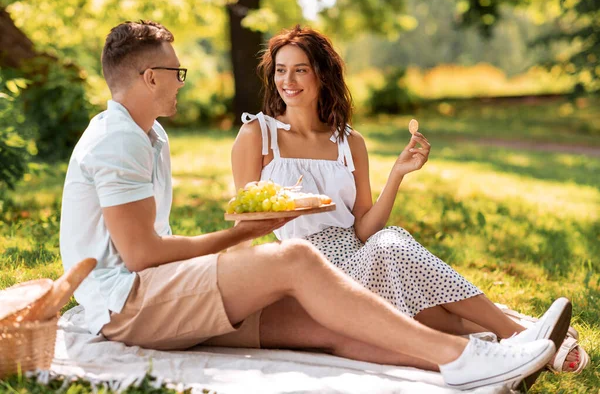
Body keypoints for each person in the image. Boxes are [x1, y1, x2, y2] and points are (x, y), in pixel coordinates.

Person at [59, 20, 567, 392]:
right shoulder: (120, 141)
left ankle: (483, 367)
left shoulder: (147, 136)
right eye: (176, 71)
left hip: (145, 292)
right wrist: (246, 235)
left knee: (331, 327)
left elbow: (149, 251)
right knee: (299, 258)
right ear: (150, 76)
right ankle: (468, 352)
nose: (180, 80)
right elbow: (144, 257)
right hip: (126, 302)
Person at [231, 25, 586, 374]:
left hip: (360, 256)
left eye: (300, 70)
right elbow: (243, 224)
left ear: (322, 75)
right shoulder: (257, 135)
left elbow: (365, 229)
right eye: (280, 70)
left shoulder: (348, 142)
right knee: (393, 251)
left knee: (391, 251)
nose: (287, 80)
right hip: (310, 274)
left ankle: (512, 345)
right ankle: (520, 333)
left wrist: (397, 174)